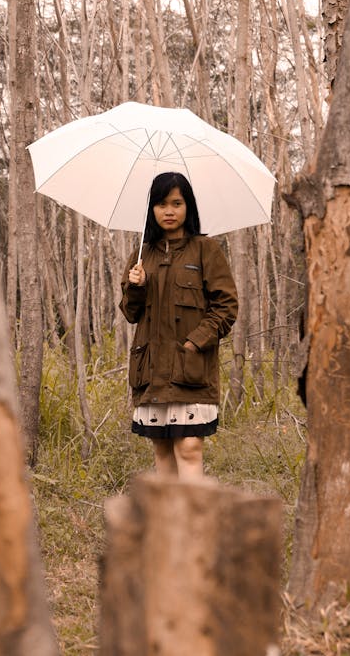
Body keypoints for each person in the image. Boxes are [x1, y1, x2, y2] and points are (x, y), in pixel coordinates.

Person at [119, 172, 238, 479]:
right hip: (151, 370)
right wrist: (137, 286)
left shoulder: (205, 250)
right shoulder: (141, 255)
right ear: (152, 209)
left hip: (190, 369)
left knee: (188, 447)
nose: (168, 211)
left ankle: (194, 524)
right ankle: (168, 524)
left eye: (176, 203)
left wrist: (195, 342)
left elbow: (226, 307)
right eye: (161, 204)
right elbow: (131, 313)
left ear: (188, 206)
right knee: (161, 449)